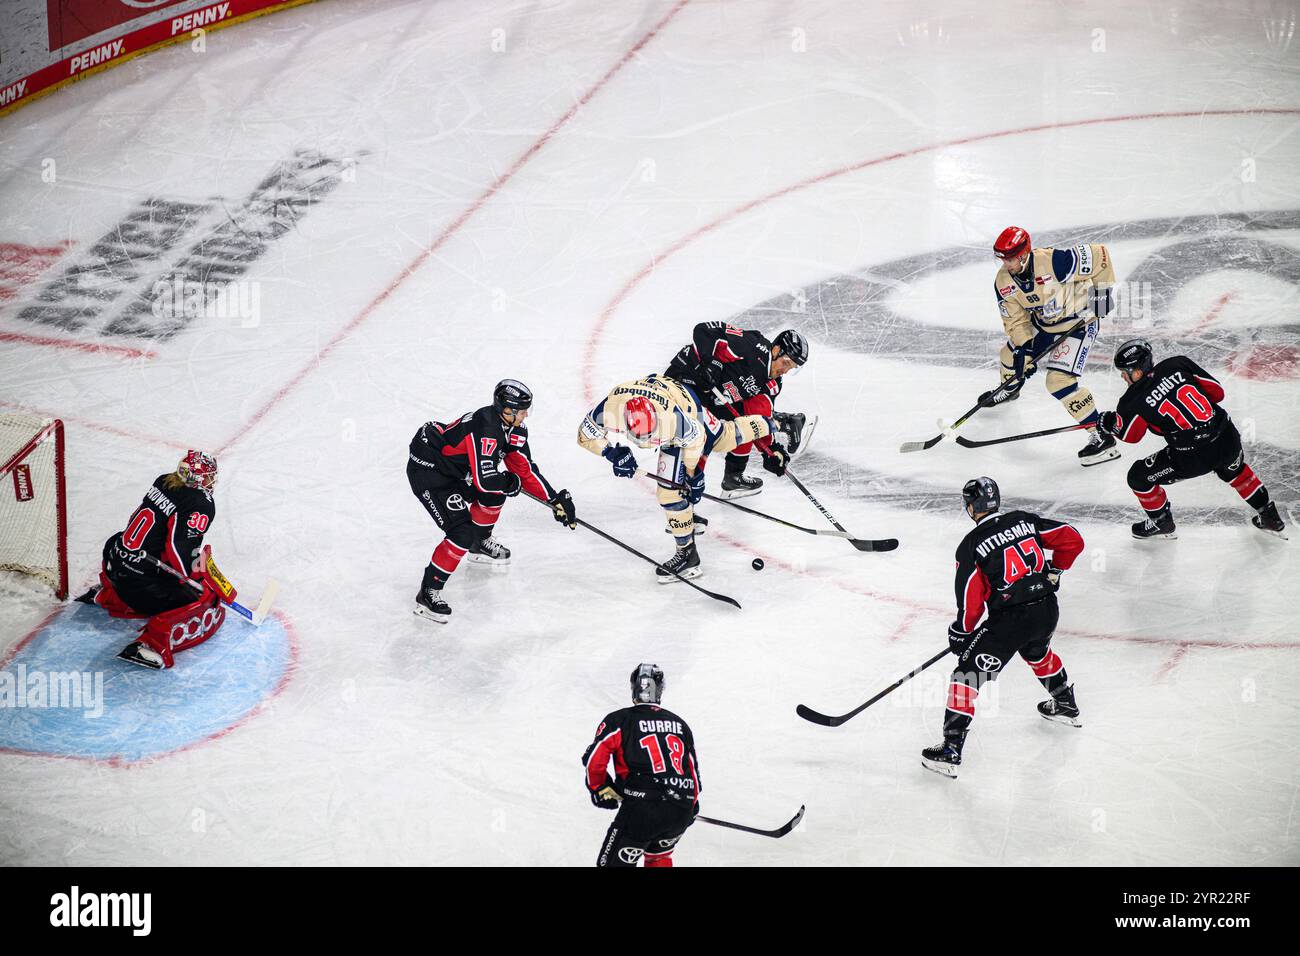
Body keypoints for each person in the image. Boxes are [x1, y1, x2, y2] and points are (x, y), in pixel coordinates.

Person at [922, 477, 1085, 778]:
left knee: (966, 675)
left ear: (970, 507)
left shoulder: (971, 546)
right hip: (1047, 609)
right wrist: (1055, 569)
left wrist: (962, 631)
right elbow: (1072, 538)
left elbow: (971, 600)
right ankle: (1064, 703)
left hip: (1010, 622)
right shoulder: (1024, 521)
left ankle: (950, 749)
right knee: (1038, 652)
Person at [578, 373, 785, 580]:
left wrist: (694, 477)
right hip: (665, 392)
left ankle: (778, 422)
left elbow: (696, 443)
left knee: (722, 440)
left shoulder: (675, 421)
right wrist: (613, 453)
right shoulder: (610, 408)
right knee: (674, 490)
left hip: (688, 407)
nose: (645, 441)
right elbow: (584, 435)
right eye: (639, 437)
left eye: (650, 435)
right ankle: (686, 535)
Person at [408, 379, 576, 623]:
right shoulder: (485, 427)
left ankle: (480, 542)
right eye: (522, 410)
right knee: (461, 533)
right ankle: (428, 592)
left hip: (457, 471)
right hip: (431, 471)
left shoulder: (514, 429)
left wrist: (554, 500)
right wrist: (508, 482)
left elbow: (523, 470)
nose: (527, 414)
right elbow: (486, 480)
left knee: (496, 493)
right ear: (507, 410)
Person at [1098, 339, 1287, 540]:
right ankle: (1269, 515)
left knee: (1138, 477)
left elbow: (1131, 435)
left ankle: (1161, 521)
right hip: (1227, 438)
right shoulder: (1177, 364)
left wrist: (1109, 422)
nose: (1122, 377)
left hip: (1193, 457)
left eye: (1124, 372)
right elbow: (1217, 393)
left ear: (1136, 372)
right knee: (1235, 470)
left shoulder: (1131, 400)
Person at [76, 451, 226, 670]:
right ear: (196, 478)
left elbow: (138, 525)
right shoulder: (200, 502)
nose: (212, 481)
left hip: (114, 562)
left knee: (131, 557)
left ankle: (107, 594)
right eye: (208, 477)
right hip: (138, 586)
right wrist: (198, 578)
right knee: (197, 598)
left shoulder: (165, 480)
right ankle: (150, 645)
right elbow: (179, 550)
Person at [985, 225, 1119, 466]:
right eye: (1003, 259)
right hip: (1045, 325)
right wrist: (1023, 350)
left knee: (1058, 382)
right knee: (1009, 355)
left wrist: (1102, 294)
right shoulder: (1003, 281)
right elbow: (1014, 320)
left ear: (1025, 254)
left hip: (1078, 323)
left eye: (1011, 259)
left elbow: (1099, 255)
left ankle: (1101, 436)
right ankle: (1011, 388)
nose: (1007, 265)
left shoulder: (1056, 262)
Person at [665, 322, 809, 497]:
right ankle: (682, 485)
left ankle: (733, 476)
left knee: (746, 422)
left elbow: (758, 417)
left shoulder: (772, 384)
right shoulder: (751, 345)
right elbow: (704, 330)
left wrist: (770, 451)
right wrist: (709, 363)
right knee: (696, 436)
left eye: (791, 368)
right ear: (776, 350)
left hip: (711, 400)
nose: (785, 371)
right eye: (786, 363)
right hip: (687, 378)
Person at [583, 664, 701, 867]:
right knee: (659, 858)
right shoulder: (680, 725)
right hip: (681, 806)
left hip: (642, 810)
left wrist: (599, 787)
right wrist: (691, 805)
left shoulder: (619, 720)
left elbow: (595, 759)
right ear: (660, 690)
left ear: (633, 689)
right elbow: (693, 774)